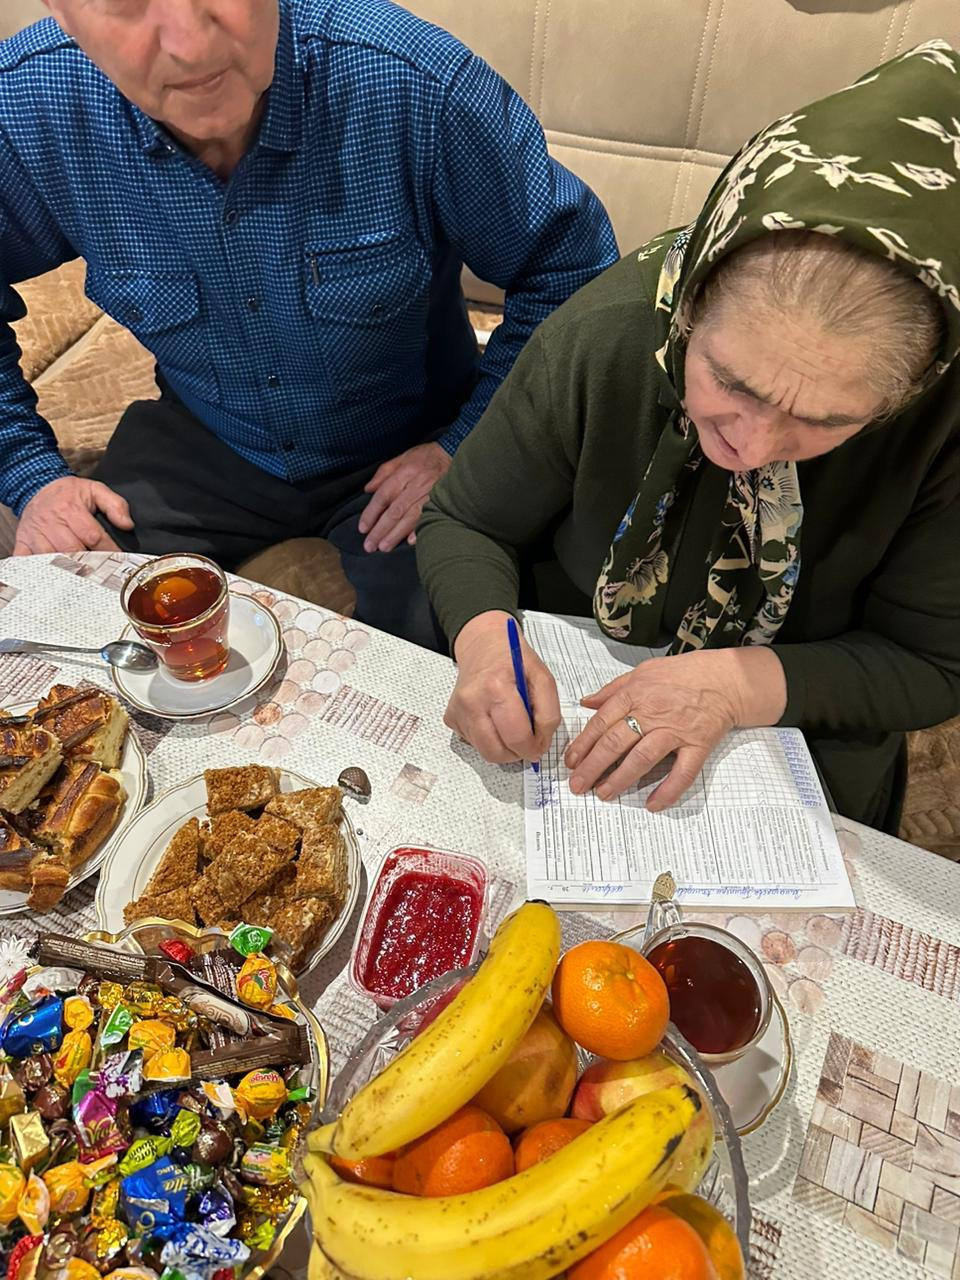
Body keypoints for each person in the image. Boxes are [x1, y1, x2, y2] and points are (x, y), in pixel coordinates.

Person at [417, 41, 960, 832]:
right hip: (581, 682)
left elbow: (934, 662)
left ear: (910, 389)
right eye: (731, 382)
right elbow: (466, 519)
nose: (754, 446)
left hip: (806, 711)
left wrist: (732, 688)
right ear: (692, 307)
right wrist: (482, 641)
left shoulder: (943, 421)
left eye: (826, 420)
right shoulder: (609, 334)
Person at [0, 0, 617, 649]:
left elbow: (572, 270)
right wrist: (31, 474)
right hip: (208, 436)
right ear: (62, 12)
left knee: (455, 650)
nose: (189, 44)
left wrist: (465, 445)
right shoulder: (24, 109)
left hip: (414, 433)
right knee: (65, 620)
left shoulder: (415, 82)